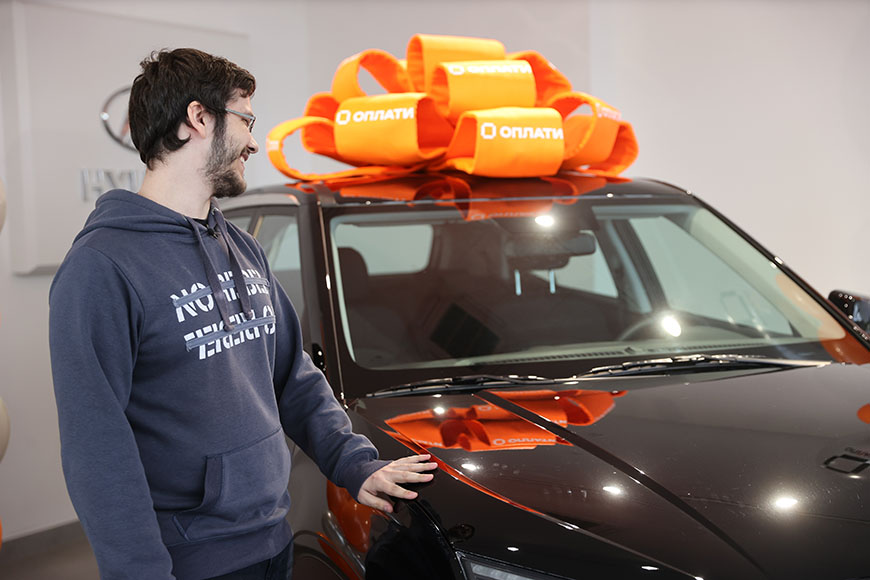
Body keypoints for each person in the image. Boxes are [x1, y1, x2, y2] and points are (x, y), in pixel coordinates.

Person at [48, 48, 436, 580]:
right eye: (246, 121)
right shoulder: (101, 268)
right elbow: (96, 447)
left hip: (271, 541)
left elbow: (292, 375)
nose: (254, 142)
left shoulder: (241, 246)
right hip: (190, 562)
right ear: (198, 118)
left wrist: (355, 463)